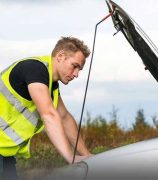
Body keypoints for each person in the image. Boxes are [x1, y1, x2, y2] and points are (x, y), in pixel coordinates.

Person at [0, 37, 92, 179]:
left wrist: (87, 156)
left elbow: (65, 118)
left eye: (79, 69)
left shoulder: (50, 85)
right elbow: (49, 115)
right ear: (60, 56)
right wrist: (71, 158)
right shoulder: (35, 70)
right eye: (74, 66)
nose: (76, 74)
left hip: (4, 153)